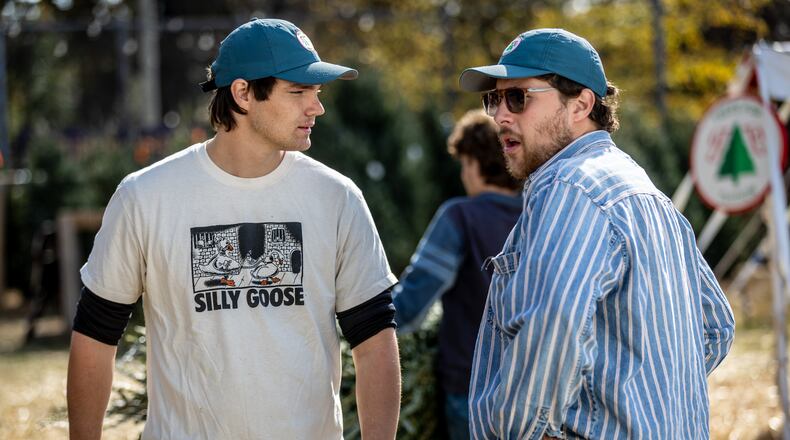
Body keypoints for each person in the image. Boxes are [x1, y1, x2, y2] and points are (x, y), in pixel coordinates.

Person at [67, 18, 401, 440]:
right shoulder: (145, 197)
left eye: (316, 93)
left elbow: (374, 341)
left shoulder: (337, 198)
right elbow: (95, 336)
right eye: (298, 92)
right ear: (243, 93)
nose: (317, 107)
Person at [458, 28, 735, 439]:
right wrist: (636, 398)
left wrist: (528, 431)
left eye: (518, 97)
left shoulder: (569, 187)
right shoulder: (645, 192)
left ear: (581, 104)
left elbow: (553, 325)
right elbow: (716, 325)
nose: (500, 116)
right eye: (493, 99)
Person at [393, 109, 522, 439]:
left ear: (475, 163)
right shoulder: (542, 214)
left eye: (464, 164)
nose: (464, 176)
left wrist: (360, 320)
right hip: (535, 390)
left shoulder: (460, 217)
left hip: (472, 390)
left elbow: (410, 306)